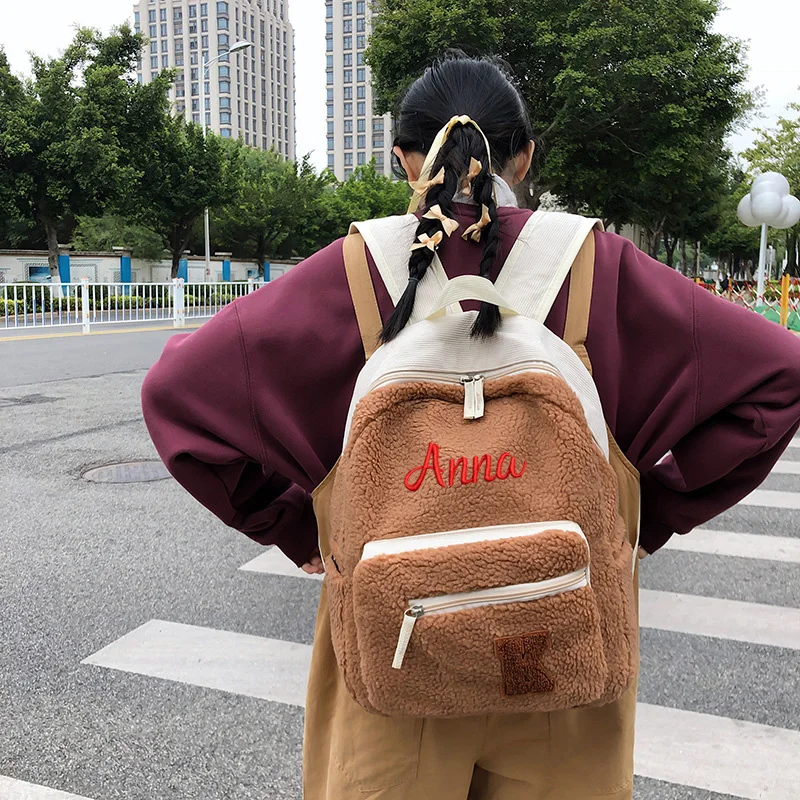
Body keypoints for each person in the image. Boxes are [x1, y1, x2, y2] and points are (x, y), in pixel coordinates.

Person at [142, 55, 800, 800]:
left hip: (392, 658)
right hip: (564, 659)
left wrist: (298, 527)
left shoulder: (351, 273)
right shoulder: (598, 266)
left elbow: (176, 396)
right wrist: (652, 514)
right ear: (523, 155)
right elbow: (780, 374)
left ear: (402, 159)